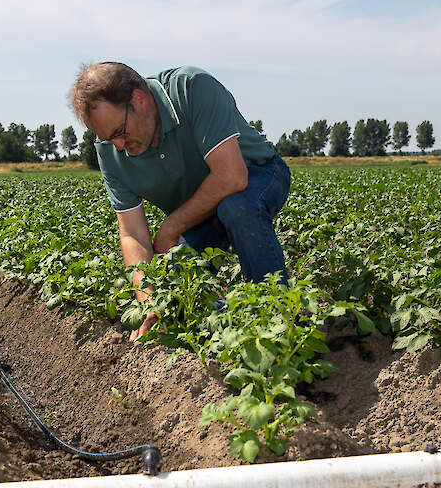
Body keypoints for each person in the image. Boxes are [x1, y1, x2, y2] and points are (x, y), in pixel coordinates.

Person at [68, 62, 291, 340]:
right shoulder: (110, 149)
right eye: (106, 138)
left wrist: (171, 227)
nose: (119, 147)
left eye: (119, 132)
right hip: (200, 209)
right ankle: (232, 316)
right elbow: (133, 234)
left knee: (236, 207)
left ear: (139, 100)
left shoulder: (192, 88)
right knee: (176, 292)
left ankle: (277, 314)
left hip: (257, 175)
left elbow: (232, 177)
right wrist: (149, 303)